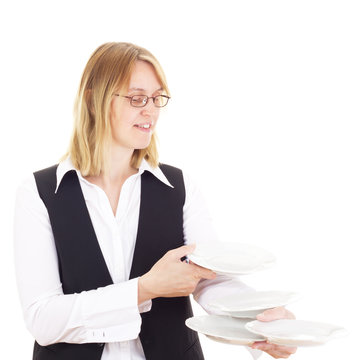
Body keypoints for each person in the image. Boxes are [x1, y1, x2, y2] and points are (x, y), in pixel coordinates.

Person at [14, 42, 297, 360]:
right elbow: (42, 318)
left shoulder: (179, 186)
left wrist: (263, 323)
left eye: (157, 98)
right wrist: (143, 288)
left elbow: (210, 280)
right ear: (94, 100)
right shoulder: (39, 192)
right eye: (137, 98)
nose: (150, 110)